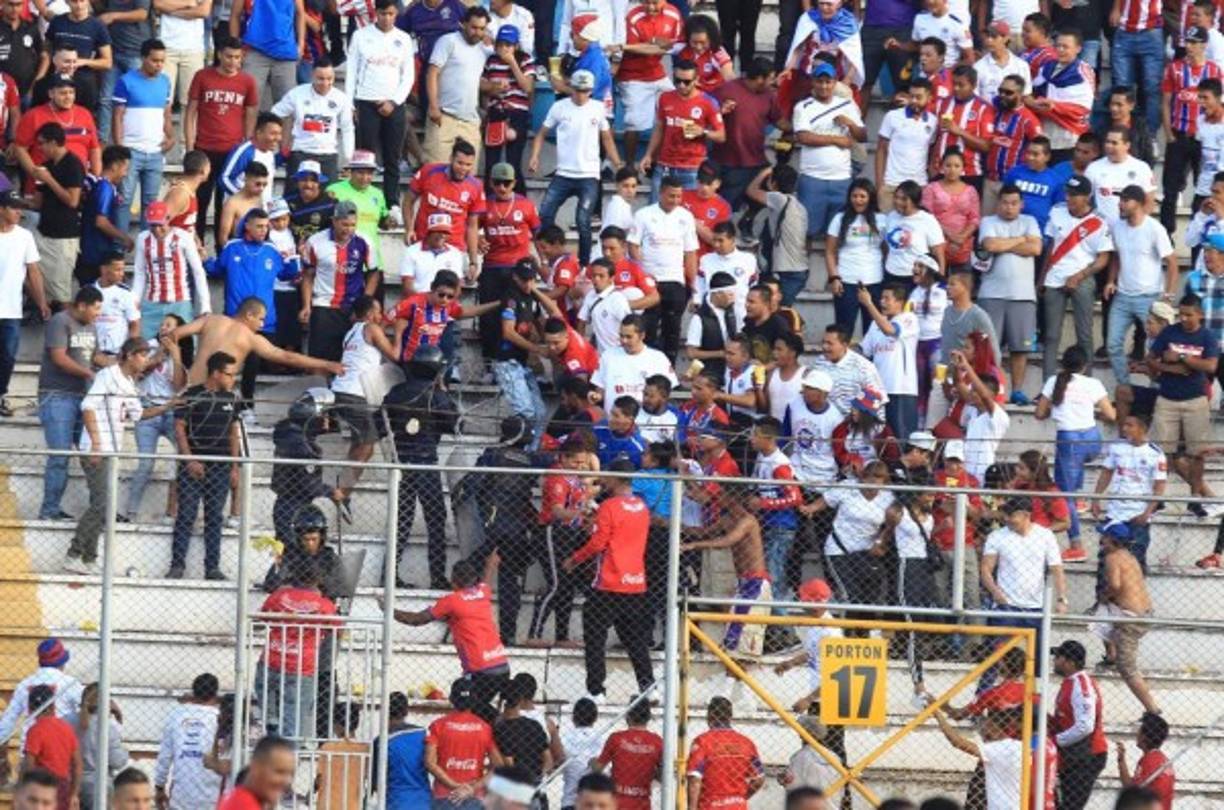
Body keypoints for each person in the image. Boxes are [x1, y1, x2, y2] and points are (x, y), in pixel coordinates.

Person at [64, 339, 173, 574]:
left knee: (102, 504)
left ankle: (88, 558)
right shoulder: (108, 375)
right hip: (97, 448)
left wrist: (167, 406)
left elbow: (139, 414)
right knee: (102, 503)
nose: (146, 361)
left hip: (111, 450)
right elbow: (88, 406)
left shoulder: (129, 382)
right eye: (143, 355)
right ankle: (74, 554)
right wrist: (95, 444)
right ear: (130, 355)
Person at [565, 458, 653, 701]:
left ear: (614, 478)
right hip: (635, 582)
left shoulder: (610, 506)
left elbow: (598, 542)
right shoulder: (642, 507)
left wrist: (574, 559)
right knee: (635, 639)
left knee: (594, 636)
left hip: (609, 581)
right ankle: (648, 686)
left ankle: (596, 690)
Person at [389, 559, 511, 722]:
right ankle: (500, 727)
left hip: (481, 670)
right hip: (501, 664)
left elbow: (417, 620)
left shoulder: (451, 601)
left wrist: (389, 609)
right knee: (476, 708)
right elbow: (487, 577)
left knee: (464, 702)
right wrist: (492, 562)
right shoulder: (483, 592)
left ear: (454, 581)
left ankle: (502, 724)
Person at [1035, 346, 1115, 559]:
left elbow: (1039, 413)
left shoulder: (1054, 382)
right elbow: (1110, 414)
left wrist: (1058, 410)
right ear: (1085, 366)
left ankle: (1076, 545)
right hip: (1092, 440)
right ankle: (1079, 499)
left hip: (1068, 441)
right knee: (1076, 467)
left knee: (1064, 496)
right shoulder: (1093, 383)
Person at [1147, 293, 1219, 512]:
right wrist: (1170, 369)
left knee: (1196, 453)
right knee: (1161, 452)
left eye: (1188, 314)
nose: (1184, 318)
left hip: (1195, 400)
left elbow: (1211, 367)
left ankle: (1195, 498)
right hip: (1167, 398)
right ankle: (1157, 498)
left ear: (1199, 315)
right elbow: (1150, 358)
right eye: (1181, 314)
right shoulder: (1169, 331)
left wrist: (1180, 357)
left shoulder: (1207, 336)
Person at [183, 37, 257, 245]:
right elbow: (191, 112)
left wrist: (246, 145)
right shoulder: (202, 76)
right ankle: (194, 247)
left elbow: (250, 113)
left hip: (231, 152)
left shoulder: (247, 81)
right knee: (199, 201)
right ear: (219, 55)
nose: (233, 61)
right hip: (204, 148)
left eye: (237, 57)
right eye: (229, 56)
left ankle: (221, 250)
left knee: (224, 205)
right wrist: (190, 146)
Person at [37, 286, 102, 521]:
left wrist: (119, 363)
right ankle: (49, 510)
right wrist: (89, 374)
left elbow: (95, 357)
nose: (98, 314)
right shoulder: (59, 321)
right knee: (60, 455)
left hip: (82, 398)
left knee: (92, 453)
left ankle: (100, 508)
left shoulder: (92, 326)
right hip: (57, 395)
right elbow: (59, 357)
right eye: (95, 309)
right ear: (82, 305)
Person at [1040, 175, 1112, 378]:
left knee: (1084, 334)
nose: (1069, 198)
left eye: (1074, 195)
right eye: (1068, 193)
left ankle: (1086, 382)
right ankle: (1048, 383)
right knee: (1051, 335)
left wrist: (1080, 276)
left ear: (1086, 197)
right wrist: (1041, 280)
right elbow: (1050, 248)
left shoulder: (1099, 222)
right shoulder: (1057, 212)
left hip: (1083, 278)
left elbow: (1103, 258)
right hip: (1054, 277)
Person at [1106, 185, 1178, 387]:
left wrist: (1168, 296)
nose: (1120, 204)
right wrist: (1111, 280)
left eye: (1125, 200)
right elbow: (1116, 257)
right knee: (1112, 344)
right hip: (1122, 295)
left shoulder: (1154, 229)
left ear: (1138, 203)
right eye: (1120, 200)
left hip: (1149, 296)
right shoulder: (1117, 227)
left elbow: (1172, 263)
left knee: (1157, 346)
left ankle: (1156, 389)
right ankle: (1125, 387)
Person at [978, 184, 1042, 403]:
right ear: (998, 203)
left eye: (1014, 203)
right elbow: (990, 245)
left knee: (1020, 348)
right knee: (989, 348)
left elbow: (1035, 249)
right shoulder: (988, 222)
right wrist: (1021, 239)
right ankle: (992, 389)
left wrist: (1006, 244)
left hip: (1023, 295)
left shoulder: (1030, 222)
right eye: (1004, 202)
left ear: (1021, 204)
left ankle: (1017, 390)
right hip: (991, 294)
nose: (1009, 207)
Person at [346, 0, 414, 208]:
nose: (387, 18)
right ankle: (362, 200)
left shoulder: (403, 39)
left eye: (391, 14)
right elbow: (351, 71)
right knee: (365, 157)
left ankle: (391, 204)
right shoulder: (361, 36)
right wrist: (350, 104)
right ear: (376, 13)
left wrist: (394, 102)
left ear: (396, 14)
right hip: (366, 101)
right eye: (383, 14)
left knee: (392, 157)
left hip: (394, 104)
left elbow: (408, 76)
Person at [792, 61, 866, 242]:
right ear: (813, 82)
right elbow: (804, 137)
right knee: (807, 231)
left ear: (835, 83)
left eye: (828, 81)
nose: (824, 86)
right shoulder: (803, 107)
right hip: (812, 178)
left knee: (839, 233)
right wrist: (836, 139)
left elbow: (862, 135)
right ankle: (804, 270)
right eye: (820, 81)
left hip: (841, 179)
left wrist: (850, 123)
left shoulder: (847, 105)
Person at [639, 58, 726, 201]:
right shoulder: (665, 98)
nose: (681, 85)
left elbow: (721, 135)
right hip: (665, 165)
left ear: (696, 79)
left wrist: (702, 132)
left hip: (692, 168)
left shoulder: (708, 102)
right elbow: (660, 127)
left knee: (688, 214)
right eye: (677, 80)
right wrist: (649, 154)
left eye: (686, 82)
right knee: (656, 210)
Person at [477, 163, 540, 359]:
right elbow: (469, 228)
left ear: (514, 183)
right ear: (490, 183)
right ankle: (489, 361)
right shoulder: (484, 204)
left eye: (506, 183)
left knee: (521, 317)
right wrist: (478, 239)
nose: (502, 188)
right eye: (497, 183)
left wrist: (543, 262)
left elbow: (538, 233)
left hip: (518, 268)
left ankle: (519, 360)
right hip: (492, 266)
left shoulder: (525, 204)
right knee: (489, 316)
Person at [299, 200, 375, 362]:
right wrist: (306, 305)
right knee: (319, 359)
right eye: (344, 224)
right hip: (323, 305)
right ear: (334, 221)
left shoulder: (364, 242)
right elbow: (308, 275)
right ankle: (318, 386)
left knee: (349, 358)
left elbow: (374, 272)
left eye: (352, 225)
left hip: (352, 308)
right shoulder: (316, 242)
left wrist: (365, 301)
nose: (348, 229)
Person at [112, 39, 172, 234]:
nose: (159, 65)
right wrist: (120, 148)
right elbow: (118, 116)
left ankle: (148, 247)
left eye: (162, 61)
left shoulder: (165, 81)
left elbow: (166, 113)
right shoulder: (126, 81)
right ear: (143, 58)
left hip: (156, 151)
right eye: (155, 60)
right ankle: (118, 247)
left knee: (152, 203)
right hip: (131, 150)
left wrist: (170, 136)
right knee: (124, 199)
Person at [1095, 525, 1158, 712]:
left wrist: (1105, 596)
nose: (1101, 541)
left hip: (1131, 619)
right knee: (1101, 619)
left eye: (1105, 537)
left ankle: (1153, 710)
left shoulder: (1112, 557)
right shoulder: (1130, 557)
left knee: (1126, 668)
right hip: (1143, 614)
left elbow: (1115, 585)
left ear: (1113, 541)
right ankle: (1111, 652)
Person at [270, 59, 354, 191]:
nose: (325, 83)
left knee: (328, 201)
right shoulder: (297, 94)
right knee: (294, 199)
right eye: (320, 79)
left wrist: (348, 158)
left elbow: (347, 128)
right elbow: (275, 114)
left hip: (328, 155)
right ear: (312, 76)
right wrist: (278, 139)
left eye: (329, 79)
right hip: (300, 153)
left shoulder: (341, 98)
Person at [131, 199, 211, 339]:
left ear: (168, 219)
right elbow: (140, 273)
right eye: (152, 225)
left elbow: (198, 272)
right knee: (145, 347)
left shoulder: (183, 237)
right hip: (151, 302)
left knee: (185, 348)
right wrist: (134, 300)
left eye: (160, 224)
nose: (157, 230)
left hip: (180, 302)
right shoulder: (142, 239)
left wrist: (205, 305)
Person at [618, 0, 684, 165]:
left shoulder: (673, 13)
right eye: (646, 2)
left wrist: (653, 46)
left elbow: (677, 43)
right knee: (634, 123)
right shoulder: (633, 17)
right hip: (632, 75)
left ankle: (657, 163)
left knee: (678, 109)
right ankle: (630, 167)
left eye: (655, 2)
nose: (651, 7)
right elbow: (635, 48)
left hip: (657, 72)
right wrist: (657, 45)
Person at [711, 59, 782, 210]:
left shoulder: (769, 95)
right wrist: (720, 111)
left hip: (757, 160)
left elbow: (779, 121)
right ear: (759, 79)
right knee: (726, 207)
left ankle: (747, 222)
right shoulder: (727, 90)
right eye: (771, 78)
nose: (773, 82)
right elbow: (704, 116)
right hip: (730, 162)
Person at [0, 191, 47, 417]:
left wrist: (41, 302)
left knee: (8, 355)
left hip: (11, 309)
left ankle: (1, 394)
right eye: (14, 207)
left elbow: (34, 272)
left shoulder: (24, 236)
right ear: (1, 209)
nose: (19, 211)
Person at [423, 6, 490, 164]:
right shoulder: (448, 41)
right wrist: (433, 106)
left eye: (482, 29)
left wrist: (494, 87)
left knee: (468, 175)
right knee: (434, 170)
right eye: (474, 27)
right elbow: (432, 73)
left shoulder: (484, 50)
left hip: (470, 120)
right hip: (444, 115)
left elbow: (474, 81)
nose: (478, 32)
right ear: (463, 24)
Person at [1050, 639, 1107, 810]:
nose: (1054, 661)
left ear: (1069, 662)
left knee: (1070, 806)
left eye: (1058, 657)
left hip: (1087, 755)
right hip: (1075, 753)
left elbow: (1085, 726)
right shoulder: (1070, 682)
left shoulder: (1081, 685)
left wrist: (1054, 740)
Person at [858, 282, 920, 440]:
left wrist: (869, 304)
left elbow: (890, 330)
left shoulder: (909, 319)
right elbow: (864, 351)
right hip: (876, 389)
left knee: (899, 438)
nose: (882, 302)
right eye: (881, 298)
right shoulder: (875, 324)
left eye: (887, 298)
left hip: (900, 388)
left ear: (900, 302)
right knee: (872, 435)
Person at [932, 707, 1025, 810]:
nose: (984, 733)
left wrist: (937, 715)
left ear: (998, 729)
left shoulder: (998, 750)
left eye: (988, 730)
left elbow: (957, 742)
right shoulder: (1021, 747)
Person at [424, 680, 499, 808]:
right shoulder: (485, 728)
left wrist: (455, 785)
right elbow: (497, 766)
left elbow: (429, 763)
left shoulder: (438, 725)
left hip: (444, 795)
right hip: (473, 796)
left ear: (452, 699)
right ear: (475, 700)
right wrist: (472, 788)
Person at [824, 179, 884, 336]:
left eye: (862, 196)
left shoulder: (882, 220)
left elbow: (887, 250)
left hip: (874, 282)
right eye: (854, 196)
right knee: (843, 331)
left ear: (870, 197)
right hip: (846, 282)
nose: (858, 200)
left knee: (872, 333)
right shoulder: (839, 219)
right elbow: (830, 251)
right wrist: (834, 278)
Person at [153, 674, 222, 810]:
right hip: (212, 798)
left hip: (181, 798)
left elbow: (165, 756)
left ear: (193, 691)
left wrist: (159, 787)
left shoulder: (176, 715)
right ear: (215, 694)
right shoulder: (219, 718)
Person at [1025, 28, 1094, 161]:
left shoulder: (1083, 71)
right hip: (1044, 136)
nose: (1060, 50)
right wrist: (1032, 102)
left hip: (1069, 138)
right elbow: (1032, 92)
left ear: (1078, 48)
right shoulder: (1045, 67)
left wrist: (1054, 106)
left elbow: (1083, 107)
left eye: (1065, 47)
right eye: (1058, 46)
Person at [685, 697, 764, 810]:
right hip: (737, 805)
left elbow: (694, 779)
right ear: (730, 716)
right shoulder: (746, 743)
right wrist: (740, 798)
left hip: (711, 805)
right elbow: (758, 779)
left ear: (710, 715)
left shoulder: (703, 742)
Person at [746, 165, 809, 305]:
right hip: (800, 268)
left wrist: (766, 171)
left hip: (786, 270)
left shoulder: (779, 199)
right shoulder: (801, 207)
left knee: (777, 314)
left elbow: (751, 191)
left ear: (773, 183)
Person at [930, 66, 995, 194]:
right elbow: (936, 137)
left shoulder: (984, 109)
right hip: (940, 172)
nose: (956, 88)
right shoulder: (942, 103)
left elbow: (986, 146)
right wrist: (932, 164)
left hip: (969, 174)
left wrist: (959, 131)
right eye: (954, 84)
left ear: (974, 85)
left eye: (961, 85)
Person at [876, 78, 937, 213]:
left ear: (929, 97)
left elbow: (930, 151)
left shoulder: (933, 121)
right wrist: (880, 184)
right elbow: (881, 150)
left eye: (919, 97)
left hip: (919, 185)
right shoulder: (892, 116)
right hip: (891, 184)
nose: (914, 100)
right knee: (888, 229)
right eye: (911, 96)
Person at [228, 0, 302, 109]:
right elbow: (235, 15)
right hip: (254, 50)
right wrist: (235, 47)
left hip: (285, 53)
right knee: (248, 104)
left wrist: (301, 43)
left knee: (286, 107)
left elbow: (300, 13)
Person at [589, 700, 661, 810]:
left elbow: (598, 768)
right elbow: (662, 776)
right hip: (642, 802)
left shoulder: (616, 738)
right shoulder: (657, 742)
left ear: (628, 715)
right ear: (648, 717)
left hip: (617, 802)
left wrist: (591, 761)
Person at [986, 75, 1044, 212]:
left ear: (1020, 94)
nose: (1002, 95)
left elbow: (1039, 150)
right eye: (1000, 91)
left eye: (1008, 93)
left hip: (1012, 185)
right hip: (989, 180)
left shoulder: (1029, 120)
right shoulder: (995, 112)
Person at [68, 682, 129, 810]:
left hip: (69, 783)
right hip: (98, 786)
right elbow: (117, 761)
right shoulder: (108, 726)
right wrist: (125, 750)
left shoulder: (66, 721)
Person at [20, 684, 81, 810]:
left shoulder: (35, 730)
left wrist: (22, 788)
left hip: (41, 786)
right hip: (63, 787)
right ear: (53, 706)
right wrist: (74, 794)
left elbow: (28, 765)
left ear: (30, 708)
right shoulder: (66, 728)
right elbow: (77, 764)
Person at [922, 150, 979, 273]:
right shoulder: (931, 188)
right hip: (937, 243)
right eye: (948, 165)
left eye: (957, 166)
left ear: (963, 168)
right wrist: (950, 236)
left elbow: (974, 219)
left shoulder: (971, 190)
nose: (952, 170)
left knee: (961, 287)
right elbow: (927, 217)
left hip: (963, 246)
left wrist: (961, 239)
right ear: (941, 166)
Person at [811, 322, 885, 415]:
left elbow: (877, 399)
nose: (824, 347)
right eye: (823, 342)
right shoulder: (819, 363)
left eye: (829, 343)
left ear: (844, 345)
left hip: (852, 424)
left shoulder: (863, 366)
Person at [1085, 128, 1156, 223]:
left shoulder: (1141, 168)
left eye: (1114, 143)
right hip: (1103, 231)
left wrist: (1137, 225)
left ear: (1127, 145)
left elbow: (1149, 201)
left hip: (1130, 229)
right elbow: (1085, 200)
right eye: (1107, 142)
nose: (1109, 146)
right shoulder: (1093, 168)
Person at [883, 181, 946, 282]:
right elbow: (886, 245)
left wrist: (941, 278)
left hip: (915, 276)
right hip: (891, 273)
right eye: (896, 197)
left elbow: (938, 251)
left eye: (904, 199)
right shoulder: (891, 216)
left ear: (915, 201)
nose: (898, 202)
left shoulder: (927, 219)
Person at [494, 678, 552, 787]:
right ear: (520, 700)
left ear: (501, 700)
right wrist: (539, 778)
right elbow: (548, 760)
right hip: (535, 784)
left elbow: (508, 762)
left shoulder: (499, 728)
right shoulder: (535, 725)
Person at [216, 736, 295, 810]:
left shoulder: (236, 798)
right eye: (279, 772)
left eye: (291, 774)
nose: (287, 781)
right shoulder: (244, 805)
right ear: (255, 767)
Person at [1116, 713, 1175, 810]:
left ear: (1144, 737)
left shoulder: (1148, 761)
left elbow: (1130, 790)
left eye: (1139, 731)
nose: (1137, 734)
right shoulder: (1163, 760)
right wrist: (1121, 760)